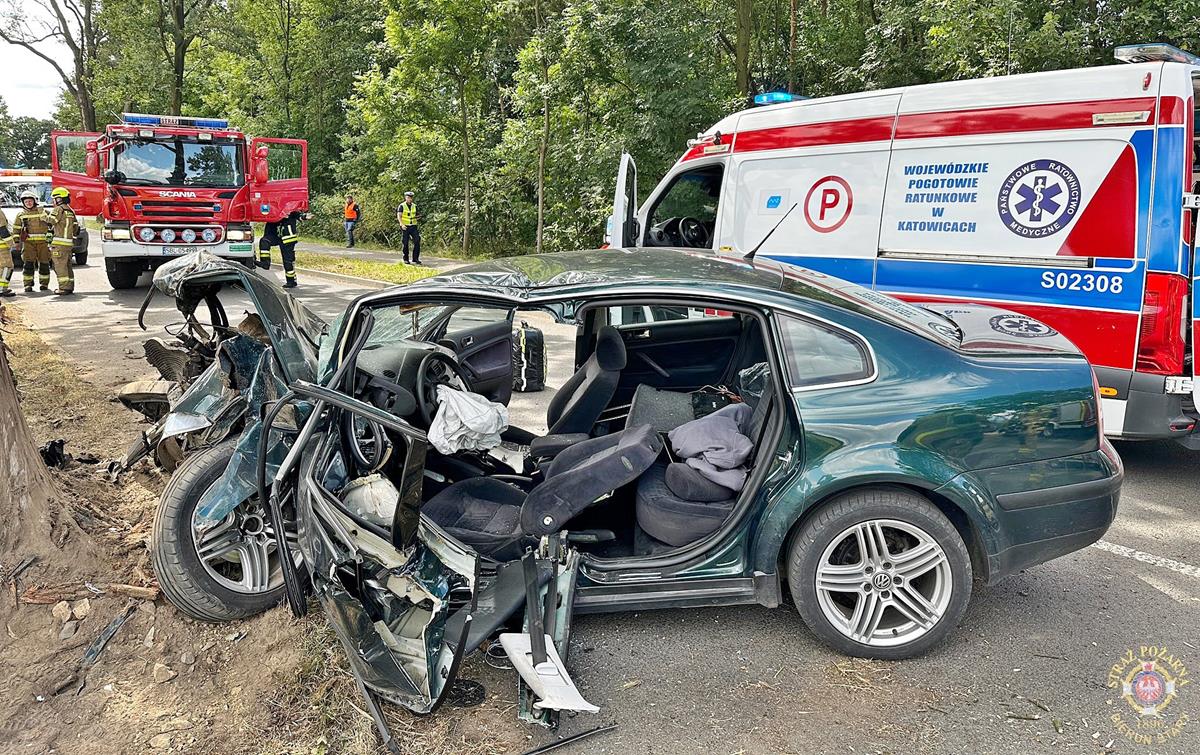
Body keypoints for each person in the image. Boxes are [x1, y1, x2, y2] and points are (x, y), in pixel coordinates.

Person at [13, 190, 52, 292]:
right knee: (28, 264)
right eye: (26, 202)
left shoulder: (44, 212)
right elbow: (16, 229)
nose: (28, 203)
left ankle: (44, 284)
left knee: (44, 264)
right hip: (28, 243)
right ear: (23, 203)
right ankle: (28, 285)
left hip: (43, 243)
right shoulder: (21, 215)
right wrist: (16, 241)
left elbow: (52, 225)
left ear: (34, 201)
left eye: (30, 201)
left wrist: (51, 240)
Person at [259, 211, 302, 288]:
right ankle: (265, 263)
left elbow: (298, 215)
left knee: (288, 261)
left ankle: (291, 281)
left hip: (287, 239)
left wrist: (304, 216)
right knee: (264, 241)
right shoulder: (273, 207)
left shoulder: (290, 208)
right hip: (275, 235)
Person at [47, 187, 77, 295]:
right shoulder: (70, 211)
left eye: (54, 199)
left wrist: (43, 214)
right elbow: (76, 229)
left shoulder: (58, 209)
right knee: (67, 265)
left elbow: (51, 221)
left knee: (59, 266)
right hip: (68, 244)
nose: (53, 201)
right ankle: (70, 286)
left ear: (59, 199)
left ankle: (63, 288)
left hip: (59, 244)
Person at [396, 190, 420, 264]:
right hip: (405, 226)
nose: (410, 199)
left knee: (417, 241)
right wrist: (401, 224)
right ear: (405, 197)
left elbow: (417, 215)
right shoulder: (402, 206)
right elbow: (399, 216)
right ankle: (405, 258)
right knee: (405, 243)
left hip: (413, 226)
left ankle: (415, 258)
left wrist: (418, 217)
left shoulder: (414, 206)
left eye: (411, 198)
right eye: (408, 197)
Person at [0, 209, 15, 297]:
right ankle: (2, 289)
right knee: (7, 267)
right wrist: (11, 243)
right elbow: (2, 229)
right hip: (2, 247)